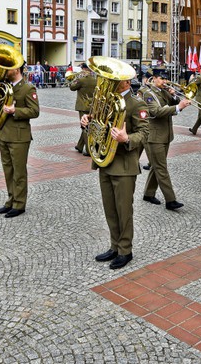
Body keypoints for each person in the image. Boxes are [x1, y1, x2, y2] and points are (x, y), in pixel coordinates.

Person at [81, 64, 149, 270]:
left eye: (114, 79)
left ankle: (125, 250)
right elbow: (98, 122)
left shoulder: (136, 103)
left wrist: (126, 138)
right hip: (105, 162)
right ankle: (114, 245)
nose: (108, 82)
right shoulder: (107, 99)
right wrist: (87, 120)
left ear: (126, 82)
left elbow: (145, 133)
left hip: (124, 165)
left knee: (124, 210)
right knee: (110, 209)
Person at [0, 56, 40, 218]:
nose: (4, 71)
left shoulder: (28, 88)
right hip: (4, 133)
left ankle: (19, 204)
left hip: (20, 136)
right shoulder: (3, 86)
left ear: (16, 69)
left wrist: (15, 111)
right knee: (8, 170)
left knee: (19, 171)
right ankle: (11, 200)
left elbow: (35, 111)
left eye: (8, 68)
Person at [142, 69, 191, 210]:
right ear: (154, 78)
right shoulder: (147, 93)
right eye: (162, 79)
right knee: (161, 168)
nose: (165, 82)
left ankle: (148, 193)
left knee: (157, 166)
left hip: (165, 135)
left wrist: (175, 96)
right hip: (154, 136)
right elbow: (156, 112)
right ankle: (171, 200)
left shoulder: (162, 91)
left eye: (165, 79)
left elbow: (172, 104)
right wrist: (178, 106)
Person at [70, 63, 96, 156]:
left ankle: (89, 150)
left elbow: (72, 87)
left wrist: (76, 78)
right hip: (92, 106)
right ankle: (80, 146)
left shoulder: (81, 80)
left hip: (83, 106)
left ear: (84, 69)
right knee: (87, 125)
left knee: (84, 127)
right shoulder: (95, 80)